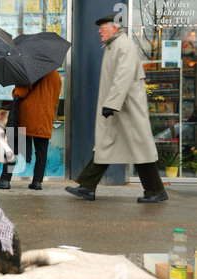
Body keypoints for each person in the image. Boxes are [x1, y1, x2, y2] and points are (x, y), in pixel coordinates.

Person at [65, 13, 168, 203]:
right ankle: (87, 187)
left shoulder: (123, 45)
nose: (99, 31)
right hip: (120, 108)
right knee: (106, 145)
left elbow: (123, 76)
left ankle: (156, 191)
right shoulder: (114, 45)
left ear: (114, 28)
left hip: (126, 109)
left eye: (102, 27)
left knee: (139, 148)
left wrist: (111, 104)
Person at [0, 70, 62, 190]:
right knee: (41, 151)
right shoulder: (56, 76)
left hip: (27, 115)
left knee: (13, 147)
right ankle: (37, 182)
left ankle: (5, 179)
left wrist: (14, 91)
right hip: (45, 117)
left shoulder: (29, 73)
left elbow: (21, 93)